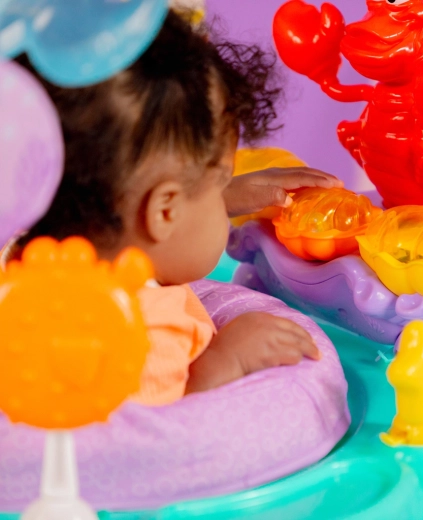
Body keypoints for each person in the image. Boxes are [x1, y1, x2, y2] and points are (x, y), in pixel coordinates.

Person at [11, 9, 343, 404]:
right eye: (217, 184)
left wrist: (214, 195)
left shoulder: (19, 264)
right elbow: (152, 435)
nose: (221, 200)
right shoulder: (144, 330)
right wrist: (223, 362)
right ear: (164, 212)